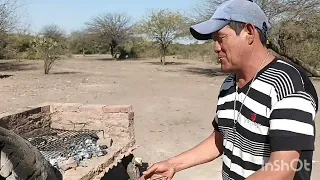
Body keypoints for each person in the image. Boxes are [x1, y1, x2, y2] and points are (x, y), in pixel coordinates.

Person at [140, 0, 318, 179]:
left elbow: (283, 170)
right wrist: (173, 164)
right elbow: (221, 138)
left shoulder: (287, 85)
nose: (216, 48)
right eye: (214, 41)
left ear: (249, 32)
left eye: (221, 39)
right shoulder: (229, 84)